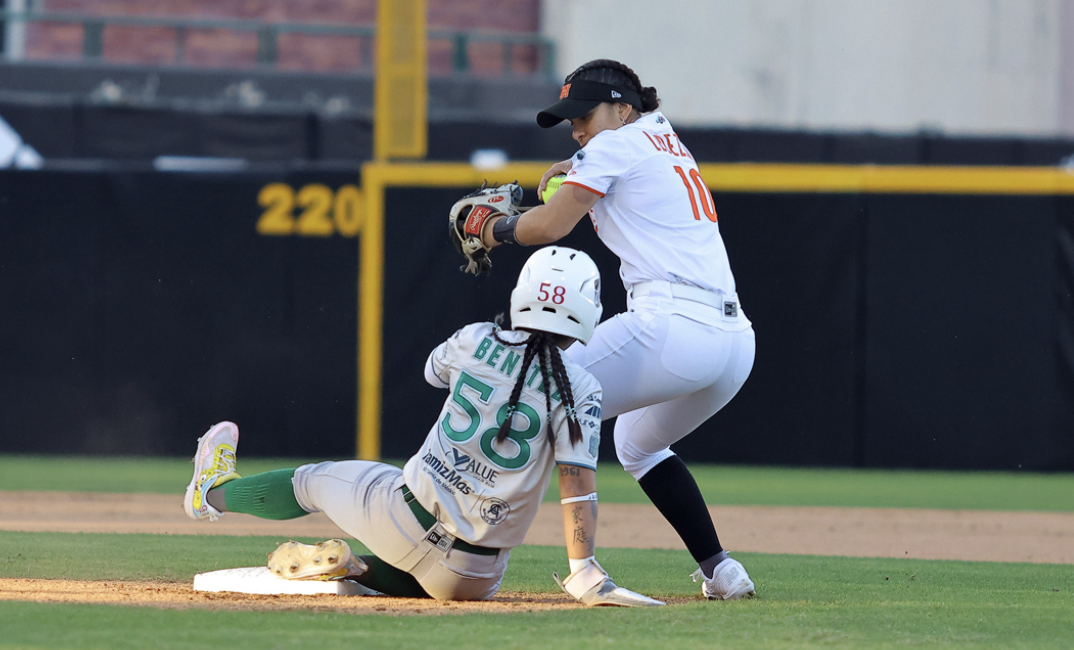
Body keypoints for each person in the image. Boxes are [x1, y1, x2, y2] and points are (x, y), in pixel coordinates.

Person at [182, 246, 662, 607]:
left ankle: (210, 492)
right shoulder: (582, 385)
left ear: (522, 295)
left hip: (403, 518)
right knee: (440, 573)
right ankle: (360, 570)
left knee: (311, 480)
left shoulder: (476, 337)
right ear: (589, 311)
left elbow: (433, 374)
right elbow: (577, 487)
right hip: (474, 576)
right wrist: (583, 572)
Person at [471, 59, 757, 600]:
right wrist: (575, 161)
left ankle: (459, 545)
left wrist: (494, 228)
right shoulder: (659, 134)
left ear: (623, 108)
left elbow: (550, 225)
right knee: (636, 445)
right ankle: (721, 569)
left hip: (671, 326)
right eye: (570, 119)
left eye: (586, 114)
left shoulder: (616, 145)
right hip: (733, 343)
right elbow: (610, 164)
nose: (577, 127)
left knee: (527, 398)